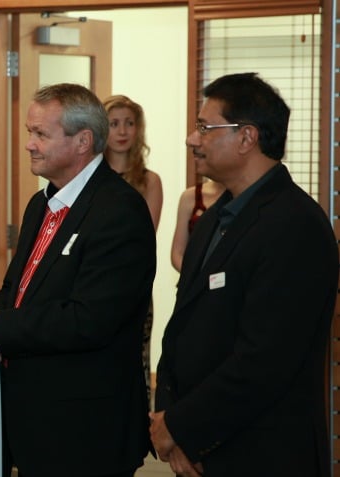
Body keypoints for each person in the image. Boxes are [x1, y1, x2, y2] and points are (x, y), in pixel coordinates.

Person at [0, 83, 156, 477]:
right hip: (34, 416)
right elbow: (18, 287)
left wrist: (0, 324)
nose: (29, 144)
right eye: (30, 132)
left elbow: (90, 320)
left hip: (85, 426)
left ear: (82, 141)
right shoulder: (43, 201)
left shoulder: (119, 211)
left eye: (40, 134)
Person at [151, 73, 338, 477]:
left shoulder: (295, 225)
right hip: (201, 447)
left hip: (262, 452)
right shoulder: (216, 216)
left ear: (246, 137)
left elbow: (264, 361)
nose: (191, 139)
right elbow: (182, 325)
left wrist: (182, 427)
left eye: (205, 127)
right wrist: (171, 418)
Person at [103, 94, 163, 401]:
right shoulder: (90, 179)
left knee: (137, 357)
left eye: (129, 123)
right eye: (114, 124)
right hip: (95, 283)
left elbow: (144, 238)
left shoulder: (149, 181)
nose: (123, 131)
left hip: (132, 283)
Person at [169, 177, 224, 271]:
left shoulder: (246, 195)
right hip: (194, 278)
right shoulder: (191, 196)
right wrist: (195, 278)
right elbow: (177, 253)